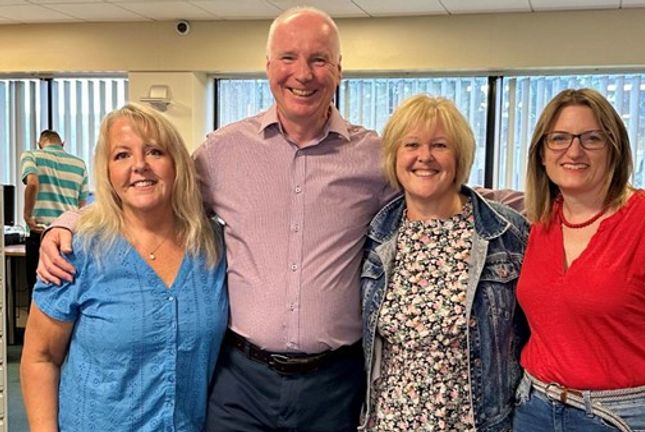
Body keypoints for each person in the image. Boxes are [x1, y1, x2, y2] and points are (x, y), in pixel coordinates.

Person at [34, 7, 523, 431]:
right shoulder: (224, 152)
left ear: (338, 70)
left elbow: (441, 188)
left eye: (318, 59)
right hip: (242, 379)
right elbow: (156, 187)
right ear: (268, 67)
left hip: (336, 381)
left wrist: (561, 202)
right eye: (288, 58)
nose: (302, 74)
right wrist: (71, 220)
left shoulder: (373, 157)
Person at [20, 103, 228, 431]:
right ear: (106, 171)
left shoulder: (213, 246)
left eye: (155, 151)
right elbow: (40, 357)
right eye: (122, 155)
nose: (140, 166)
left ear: (177, 164)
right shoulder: (76, 250)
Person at [513, 88, 645, 432]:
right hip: (534, 408)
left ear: (614, 148)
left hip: (619, 417)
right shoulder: (539, 221)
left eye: (592, 138)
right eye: (559, 138)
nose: (574, 151)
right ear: (541, 153)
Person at [359, 95, 529, 431]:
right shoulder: (376, 236)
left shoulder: (505, 232)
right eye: (411, 145)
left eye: (440, 145)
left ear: (459, 156)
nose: (425, 157)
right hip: (390, 422)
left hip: (479, 423)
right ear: (395, 156)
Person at [20, 130, 88, 300]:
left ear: (39, 143)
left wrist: (27, 216)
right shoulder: (79, 164)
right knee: (68, 295)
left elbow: (33, 183)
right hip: (70, 238)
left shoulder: (31, 155)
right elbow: (81, 206)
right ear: (62, 144)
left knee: (39, 295)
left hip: (41, 234)